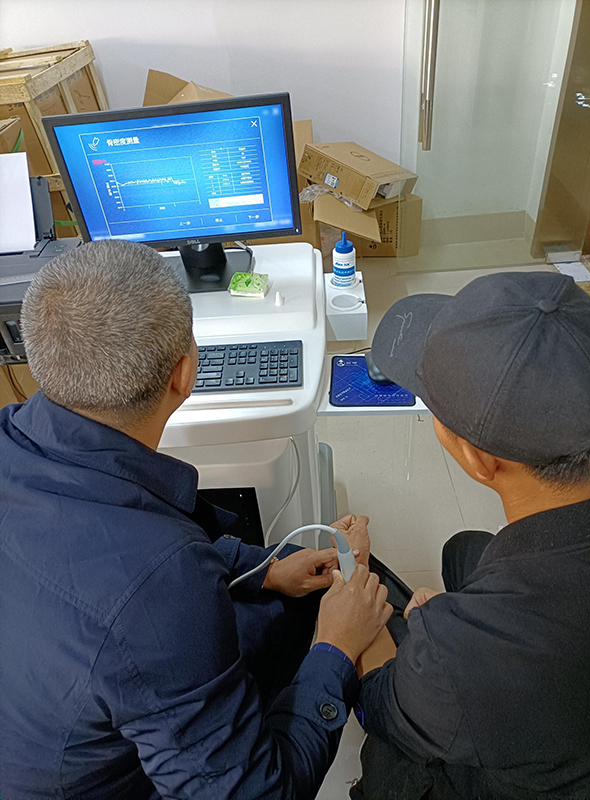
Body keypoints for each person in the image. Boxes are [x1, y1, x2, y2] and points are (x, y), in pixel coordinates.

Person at [0, 239, 392, 800]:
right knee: (304, 632)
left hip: (46, 721)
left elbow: (113, 553)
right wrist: (335, 649)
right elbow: (256, 794)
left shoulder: (15, 438)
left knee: (280, 602)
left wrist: (262, 569)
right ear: (185, 373)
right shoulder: (160, 590)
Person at [349, 270, 590, 800]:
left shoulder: (464, 653)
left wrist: (357, 587)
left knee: (391, 759)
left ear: (478, 458)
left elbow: (379, 704)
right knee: (464, 550)